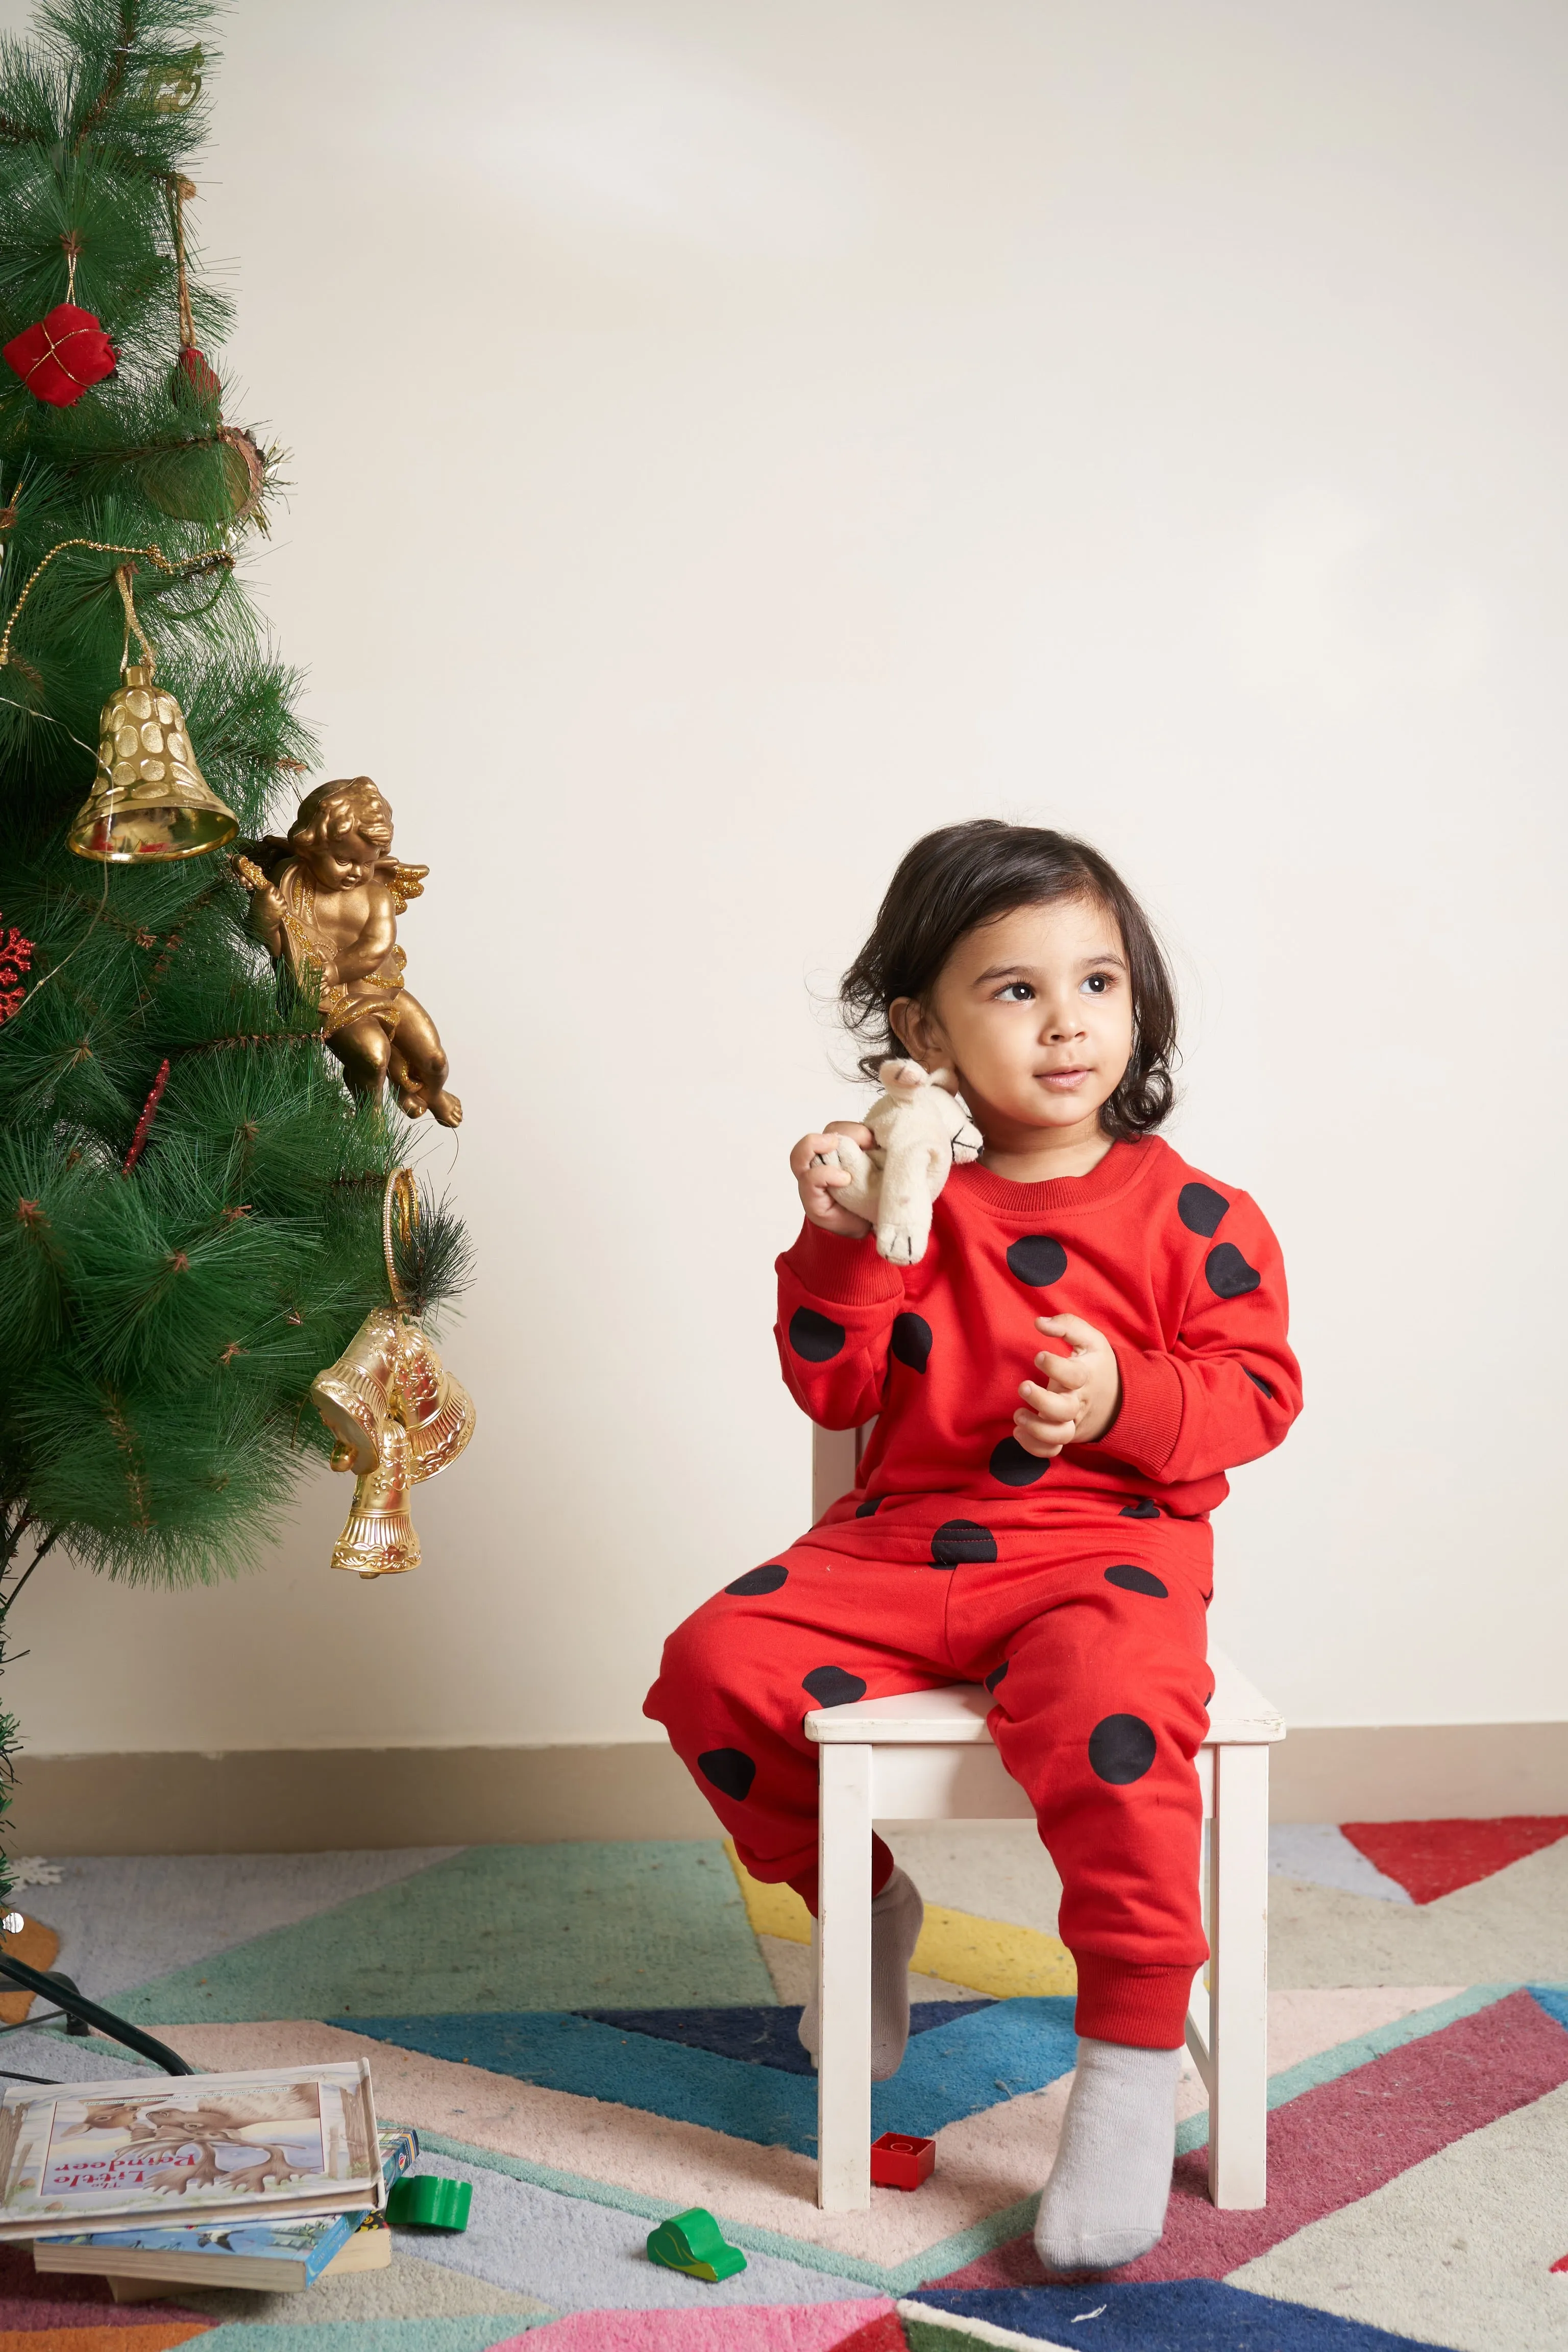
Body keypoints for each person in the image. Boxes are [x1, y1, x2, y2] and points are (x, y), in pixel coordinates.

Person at [645, 819, 1302, 2270]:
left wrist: (1128, 1397)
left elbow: (1259, 1396)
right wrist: (838, 1236)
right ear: (919, 1031)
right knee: (709, 1664)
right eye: (1013, 990)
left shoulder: (1199, 1215)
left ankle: (1129, 2065)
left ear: (1140, 1007)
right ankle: (863, 1902)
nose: (1068, 1022)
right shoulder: (910, 1200)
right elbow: (835, 1388)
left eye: (1099, 983)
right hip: (903, 1546)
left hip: (1106, 1553)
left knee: (1119, 1723)